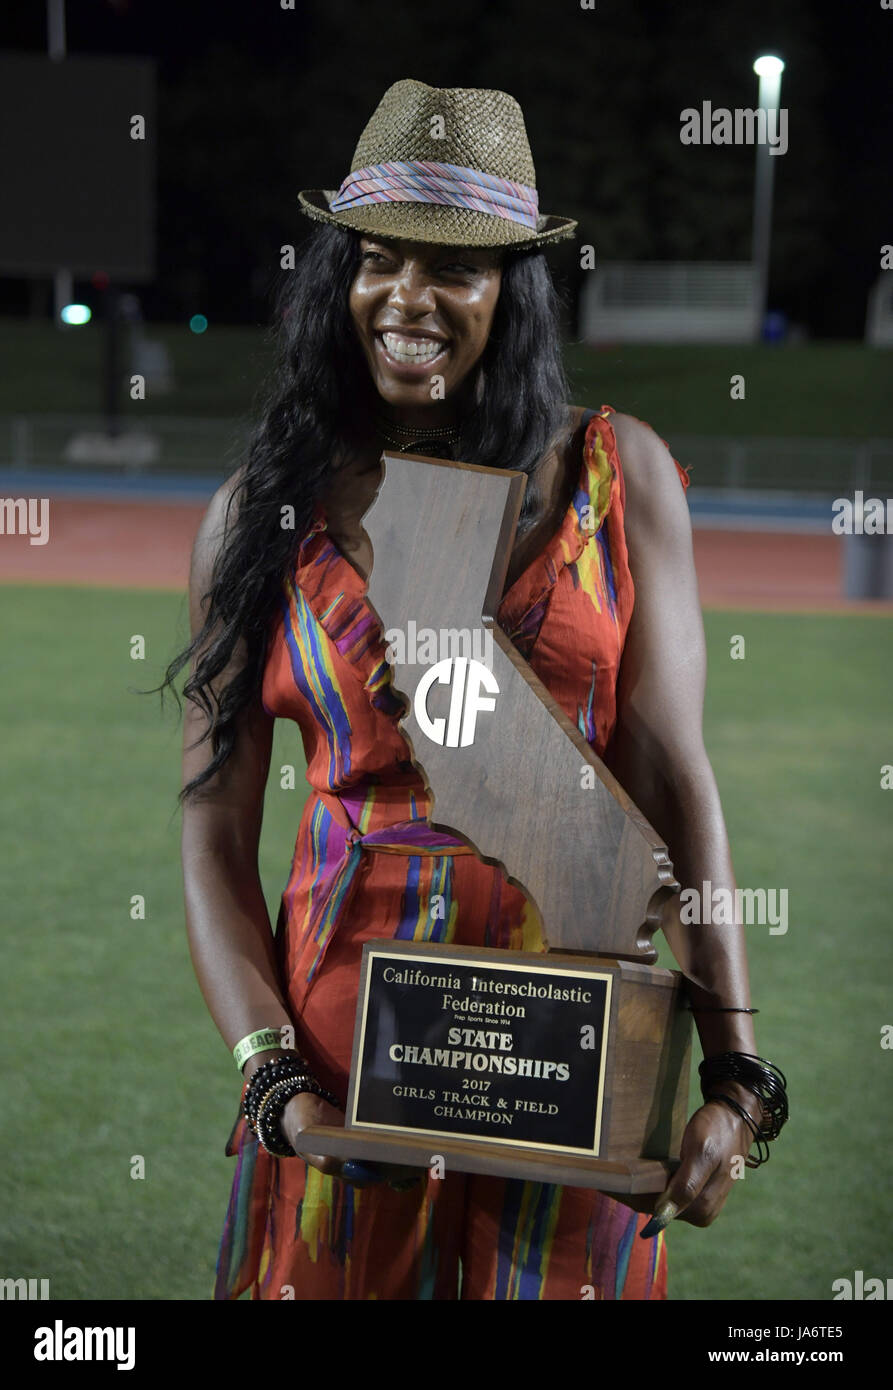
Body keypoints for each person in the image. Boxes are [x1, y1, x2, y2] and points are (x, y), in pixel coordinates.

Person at [166, 79, 786, 1302]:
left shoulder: (623, 475)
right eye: (379, 261)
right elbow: (211, 825)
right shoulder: (260, 512)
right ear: (338, 278)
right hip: (343, 1077)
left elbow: (673, 770)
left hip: (580, 1056)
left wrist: (739, 1073)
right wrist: (266, 1067)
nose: (410, 299)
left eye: (454, 269)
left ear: (513, 290)